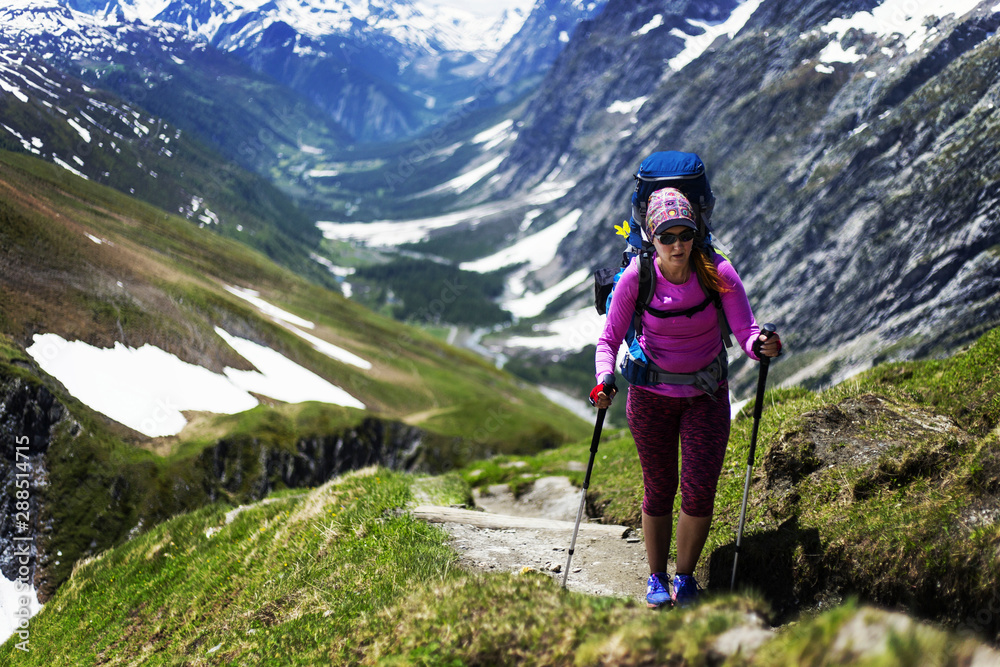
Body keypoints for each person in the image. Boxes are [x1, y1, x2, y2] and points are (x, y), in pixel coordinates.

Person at [589, 187, 782, 609]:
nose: (678, 244)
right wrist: (604, 379)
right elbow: (608, 340)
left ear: (697, 233)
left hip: (705, 396)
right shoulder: (637, 278)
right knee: (659, 487)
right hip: (649, 397)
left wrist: (762, 345)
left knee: (699, 490)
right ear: (651, 237)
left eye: (685, 234)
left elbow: (746, 331)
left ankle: (686, 577)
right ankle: (656, 577)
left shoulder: (718, 273)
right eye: (667, 236)